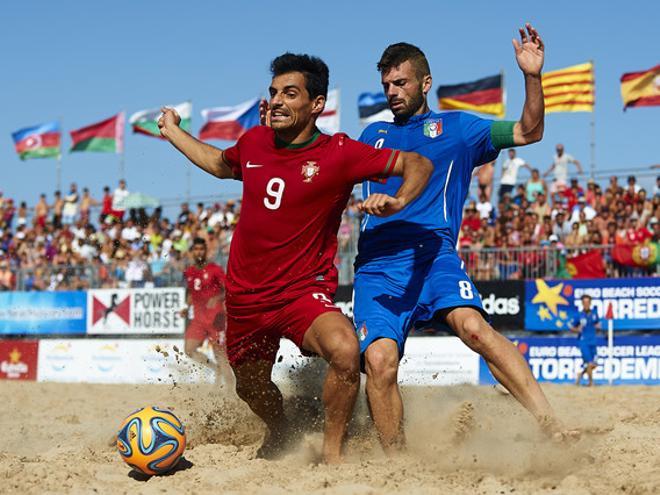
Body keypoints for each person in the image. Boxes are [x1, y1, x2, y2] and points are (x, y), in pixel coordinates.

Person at [158, 52, 432, 463]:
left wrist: (398, 200)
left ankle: (332, 456)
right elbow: (217, 163)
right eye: (274, 93)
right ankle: (281, 427)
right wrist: (173, 132)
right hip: (247, 299)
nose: (278, 101)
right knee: (250, 389)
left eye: (290, 93)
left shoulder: (339, 153)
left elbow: (419, 163)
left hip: (301, 293)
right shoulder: (253, 141)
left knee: (344, 351)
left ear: (317, 104)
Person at [355, 25, 572, 454]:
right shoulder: (371, 137)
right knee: (380, 362)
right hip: (379, 265)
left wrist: (532, 76)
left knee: (476, 329)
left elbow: (530, 132)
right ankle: (395, 461)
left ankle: (552, 427)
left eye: (401, 82)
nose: (392, 92)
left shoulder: (458, 128)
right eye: (386, 85)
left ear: (425, 83)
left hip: (434, 256)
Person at [180, 237, 233, 386]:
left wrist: (217, 298)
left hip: (216, 319)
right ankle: (214, 369)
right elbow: (192, 293)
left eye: (201, 249)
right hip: (198, 320)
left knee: (221, 357)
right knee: (189, 350)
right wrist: (186, 307)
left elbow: (228, 288)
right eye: (196, 249)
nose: (199, 252)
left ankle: (232, 391)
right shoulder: (190, 271)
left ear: (206, 251)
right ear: (192, 252)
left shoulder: (214, 269)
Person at [569, 295, 601, 387]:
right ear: (582, 303)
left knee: (594, 364)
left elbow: (597, 324)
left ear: (590, 303)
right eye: (584, 302)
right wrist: (577, 329)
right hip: (583, 342)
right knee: (589, 363)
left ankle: (580, 375)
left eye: (588, 302)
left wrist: (598, 327)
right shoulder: (579, 315)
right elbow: (571, 327)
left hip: (593, 341)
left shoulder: (594, 314)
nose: (586, 304)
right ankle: (591, 382)